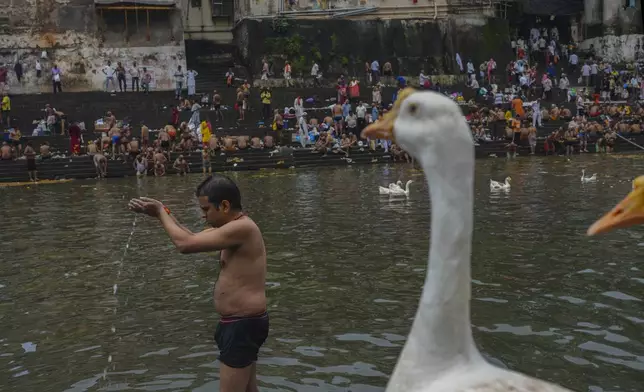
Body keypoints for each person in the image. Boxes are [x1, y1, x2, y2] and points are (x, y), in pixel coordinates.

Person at [128, 175, 268, 392]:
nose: (203, 216)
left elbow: (185, 244)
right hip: (241, 323)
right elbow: (190, 235)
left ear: (224, 206)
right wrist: (163, 213)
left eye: (205, 210)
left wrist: (159, 212)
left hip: (242, 325)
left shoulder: (243, 228)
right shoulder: (233, 227)